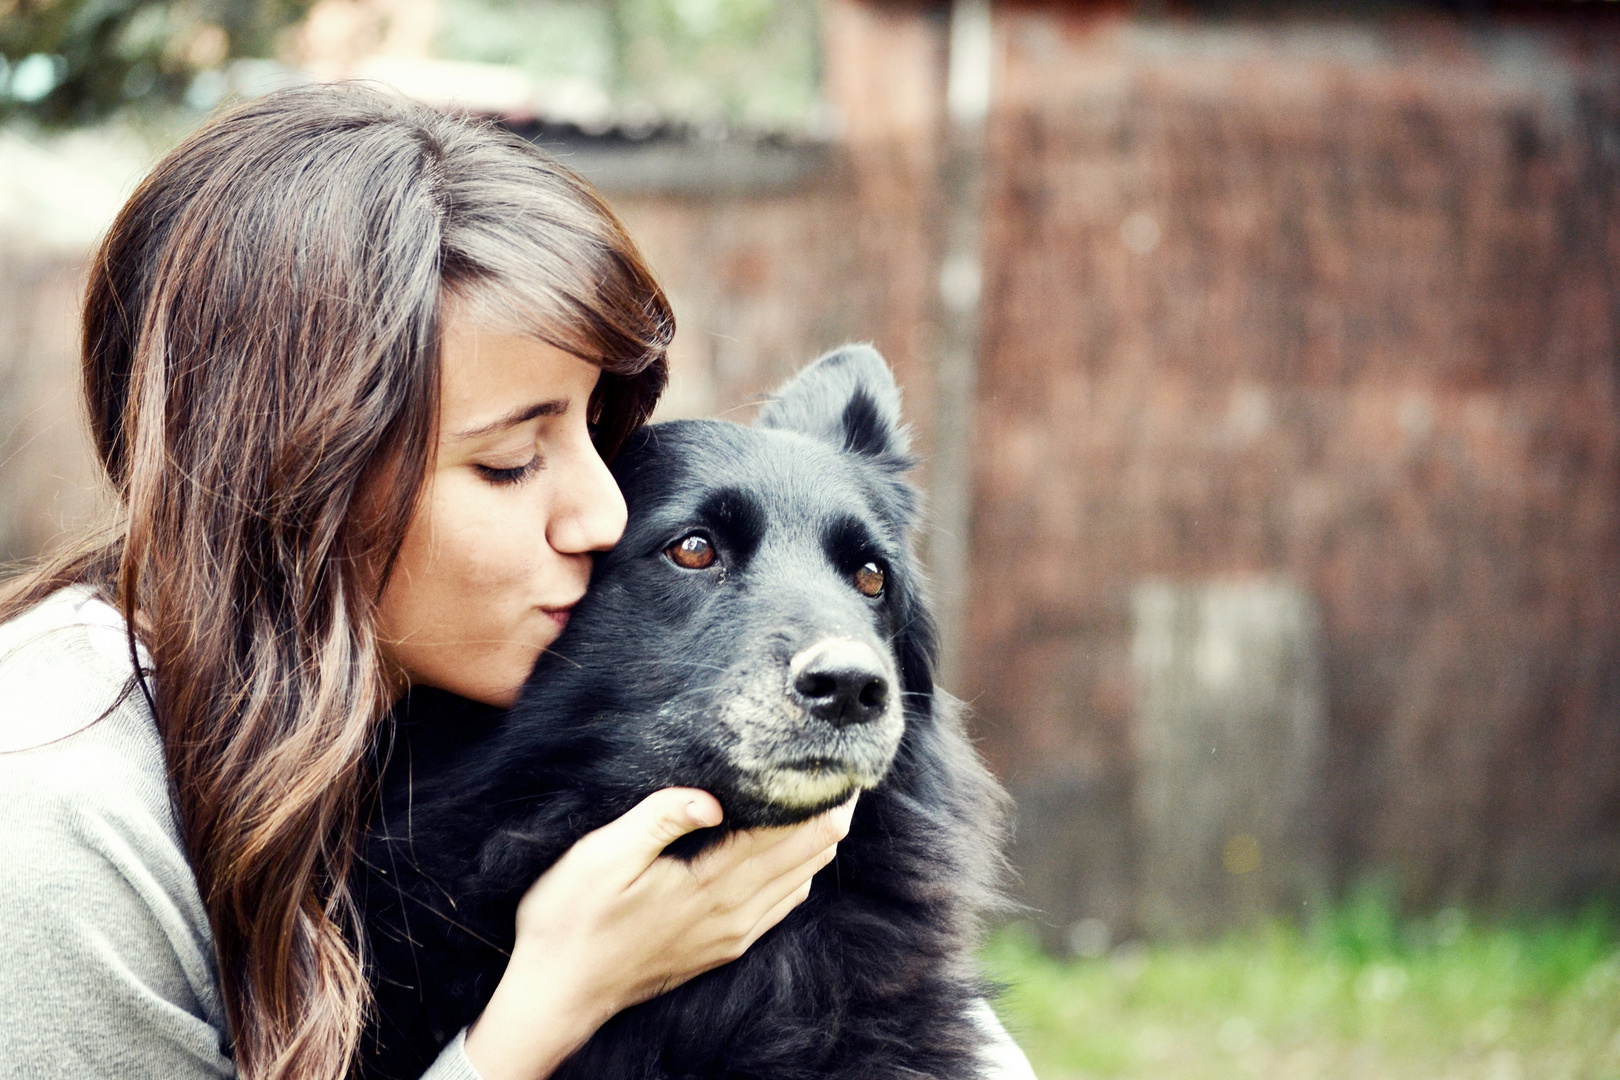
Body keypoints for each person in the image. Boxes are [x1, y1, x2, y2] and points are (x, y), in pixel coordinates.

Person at [0, 84, 1034, 1080]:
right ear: (295, 478)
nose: (602, 517)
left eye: (594, 433)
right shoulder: (59, 824)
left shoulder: (414, 688)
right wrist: (542, 1010)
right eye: (508, 461)